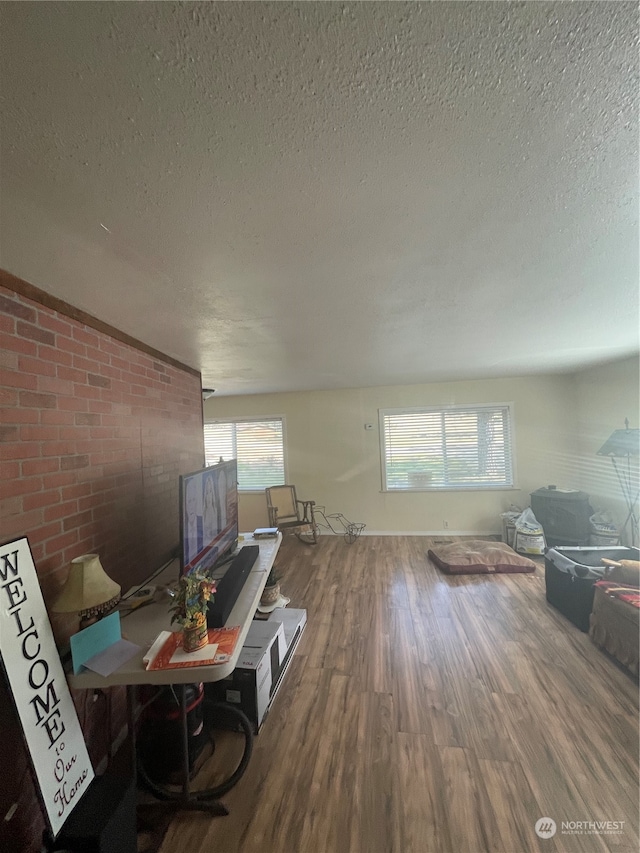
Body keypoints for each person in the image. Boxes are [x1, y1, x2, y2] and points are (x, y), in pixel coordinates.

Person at [184, 476, 203, 565]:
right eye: (189, 501)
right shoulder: (184, 530)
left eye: (193, 500)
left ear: (197, 502)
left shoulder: (203, 523)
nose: (191, 506)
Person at [203, 472, 218, 541]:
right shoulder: (204, 515)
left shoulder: (214, 512)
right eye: (207, 492)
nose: (209, 496)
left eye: (210, 491)